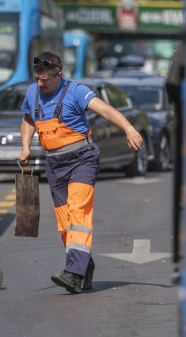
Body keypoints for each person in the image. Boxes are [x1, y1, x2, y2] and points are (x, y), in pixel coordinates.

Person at [18, 51, 143, 294]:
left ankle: (74, 273)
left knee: (78, 214)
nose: (40, 83)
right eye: (37, 79)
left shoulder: (76, 91)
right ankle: (84, 269)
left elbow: (106, 111)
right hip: (54, 164)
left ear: (59, 75)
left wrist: (129, 129)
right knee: (65, 225)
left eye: (45, 79)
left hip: (81, 160)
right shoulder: (33, 92)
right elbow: (28, 120)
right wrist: (25, 146)